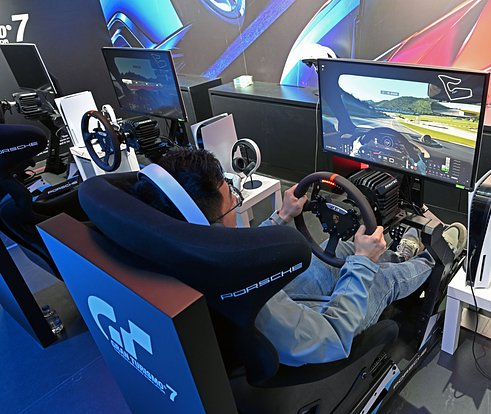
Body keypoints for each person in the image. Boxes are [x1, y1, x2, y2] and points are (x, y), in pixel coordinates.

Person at [136, 147, 466, 367]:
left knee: (342, 252)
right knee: (381, 279)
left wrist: (280, 216)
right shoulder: (241, 292)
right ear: (208, 226)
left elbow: (239, 249)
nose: (237, 203)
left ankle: (392, 255)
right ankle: (431, 259)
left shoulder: (183, 246)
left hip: (275, 297)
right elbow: (332, 336)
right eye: (232, 202)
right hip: (309, 327)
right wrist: (365, 263)